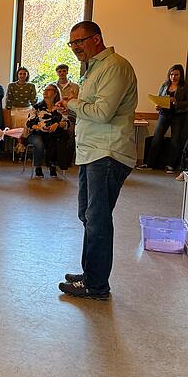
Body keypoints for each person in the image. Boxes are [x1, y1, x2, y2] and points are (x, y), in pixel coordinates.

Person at [55, 21, 137, 299]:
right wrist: (73, 107)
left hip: (108, 152)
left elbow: (102, 113)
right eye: (72, 43)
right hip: (92, 152)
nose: (76, 47)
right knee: (88, 215)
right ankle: (91, 274)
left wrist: (72, 104)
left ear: (97, 38)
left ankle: (97, 285)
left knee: (98, 219)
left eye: (80, 41)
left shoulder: (114, 66)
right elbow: (94, 110)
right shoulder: (95, 68)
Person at [138, 65, 187, 173]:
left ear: (181, 75)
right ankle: (150, 163)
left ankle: (171, 166)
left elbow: (187, 103)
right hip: (164, 113)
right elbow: (159, 97)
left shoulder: (184, 86)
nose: (173, 77)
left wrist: (176, 102)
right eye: (171, 74)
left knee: (175, 141)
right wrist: (157, 105)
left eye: (176, 74)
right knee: (156, 139)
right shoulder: (165, 85)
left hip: (178, 115)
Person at [27, 84, 69, 178]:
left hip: (54, 133)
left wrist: (57, 124)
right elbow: (29, 124)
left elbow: (66, 123)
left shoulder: (60, 108)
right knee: (39, 143)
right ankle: (38, 166)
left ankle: (52, 165)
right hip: (36, 133)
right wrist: (39, 127)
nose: (45, 92)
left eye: (49, 90)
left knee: (58, 139)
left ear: (55, 94)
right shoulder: (37, 107)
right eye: (45, 89)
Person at [6, 66, 37, 154]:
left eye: (24, 74)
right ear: (17, 75)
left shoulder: (31, 86)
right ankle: (19, 143)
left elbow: (33, 99)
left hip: (27, 108)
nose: (22, 75)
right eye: (20, 73)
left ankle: (24, 144)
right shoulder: (11, 85)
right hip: (15, 108)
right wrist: (8, 109)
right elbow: (9, 98)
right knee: (15, 119)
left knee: (27, 120)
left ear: (27, 75)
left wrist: (36, 109)